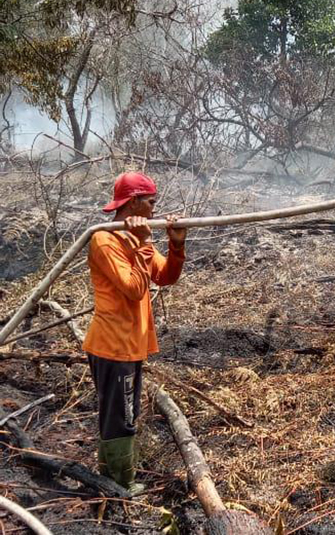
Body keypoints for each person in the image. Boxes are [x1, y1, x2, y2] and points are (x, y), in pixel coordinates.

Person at [82, 172, 187, 494]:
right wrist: (142, 244)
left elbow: (164, 277)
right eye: (151, 203)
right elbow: (133, 288)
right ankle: (120, 486)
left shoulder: (135, 238)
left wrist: (176, 244)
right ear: (134, 203)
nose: (155, 211)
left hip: (129, 344)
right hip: (113, 345)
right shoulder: (105, 240)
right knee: (122, 416)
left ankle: (112, 477)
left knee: (121, 413)